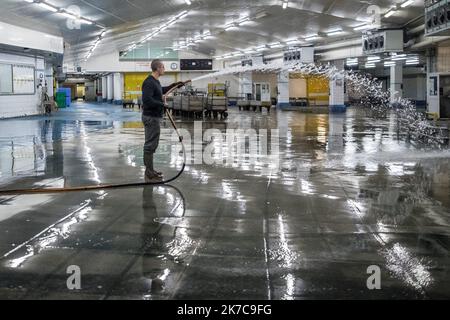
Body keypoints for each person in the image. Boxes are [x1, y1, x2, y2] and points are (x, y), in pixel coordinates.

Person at [141, 59, 186, 182]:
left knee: (152, 144)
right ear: (158, 68)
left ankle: (150, 170)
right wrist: (162, 105)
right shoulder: (149, 82)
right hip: (151, 118)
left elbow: (162, 90)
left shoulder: (155, 82)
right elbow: (147, 100)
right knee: (150, 145)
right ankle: (149, 173)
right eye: (163, 67)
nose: (164, 69)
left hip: (154, 117)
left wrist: (175, 85)